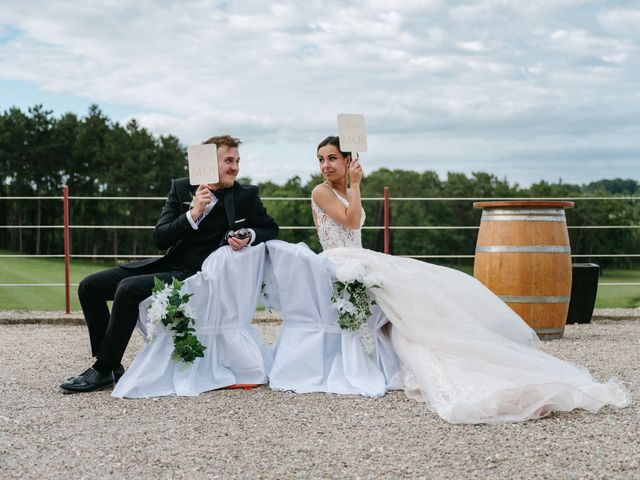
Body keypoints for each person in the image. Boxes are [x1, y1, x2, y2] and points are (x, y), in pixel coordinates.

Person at [273, 135, 629, 423]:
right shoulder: (321, 191)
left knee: (415, 293)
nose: (324, 165)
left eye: (331, 158)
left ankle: (443, 355)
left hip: (359, 258)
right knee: (400, 291)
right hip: (338, 262)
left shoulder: (346, 186)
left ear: (347, 159)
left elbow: (353, 218)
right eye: (320, 159)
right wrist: (354, 183)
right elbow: (350, 222)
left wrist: (353, 184)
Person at [60, 135, 279, 393]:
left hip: (197, 276)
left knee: (128, 289)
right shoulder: (181, 188)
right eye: (228, 160)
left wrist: (248, 234)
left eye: (237, 161)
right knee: (90, 286)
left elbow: (270, 229)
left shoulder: (246, 196)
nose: (235, 167)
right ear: (208, 163)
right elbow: (160, 238)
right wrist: (193, 213)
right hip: (168, 264)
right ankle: (110, 366)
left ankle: (102, 367)